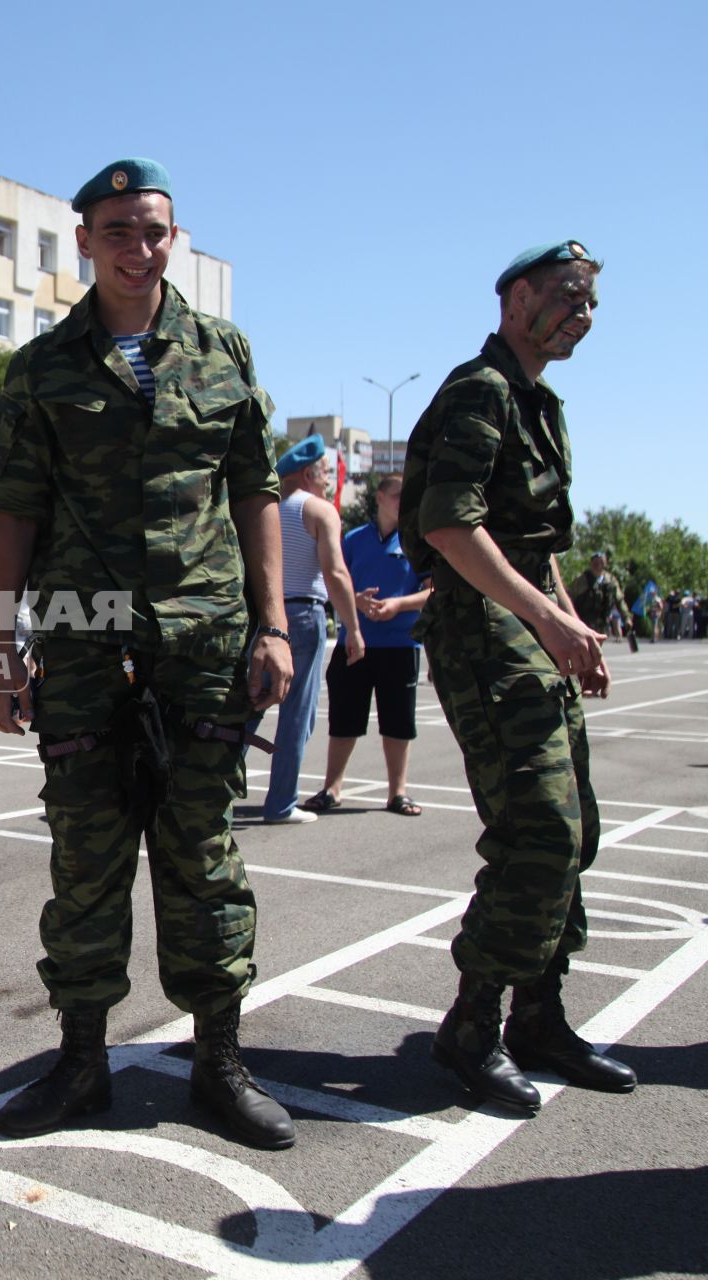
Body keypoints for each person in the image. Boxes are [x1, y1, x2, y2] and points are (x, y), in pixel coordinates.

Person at [0, 158, 296, 1151]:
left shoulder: (221, 349)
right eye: (117, 228)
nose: (138, 245)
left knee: (203, 853)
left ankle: (220, 1058)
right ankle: (80, 1059)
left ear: (173, 238)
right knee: (86, 854)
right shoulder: (41, 367)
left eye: (154, 228)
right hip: (81, 636)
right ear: (84, 240)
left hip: (203, 638)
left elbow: (255, 490)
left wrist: (275, 622)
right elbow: (13, 509)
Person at [400, 238, 635, 1116]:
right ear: (517, 299)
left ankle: (542, 1016)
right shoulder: (481, 391)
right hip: (483, 638)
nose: (584, 312)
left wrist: (572, 625)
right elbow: (451, 527)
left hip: (533, 638)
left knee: (575, 834)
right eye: (571, 295)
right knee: (536, 831)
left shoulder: (541, 403)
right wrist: (549, 619)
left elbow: (538, 550)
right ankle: (472, 1027)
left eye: (592, 302)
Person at [250, 435, 364, 824]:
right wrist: (353, 629)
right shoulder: (319, 510)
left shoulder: (267, 508)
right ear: (307, 472)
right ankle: (281, 803)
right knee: (297, 714)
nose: (330, 479)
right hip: (302, 614)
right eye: (326, 471)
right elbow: (335, 573)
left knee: (248, 708)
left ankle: (211, 794)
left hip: (263, 616)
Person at [303, 473, 431, 816]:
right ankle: (332, 788)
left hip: (401, 645)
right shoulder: (355, 538)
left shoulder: (416, 541)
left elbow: (432, 590)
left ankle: (397, 792)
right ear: (379, 496)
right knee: (344, 718)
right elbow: (333, 579)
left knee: (399, 721)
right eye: (398, 495)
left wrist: (397, 605)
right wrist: (354, 601)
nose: (403, 501)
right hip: (354, 644)